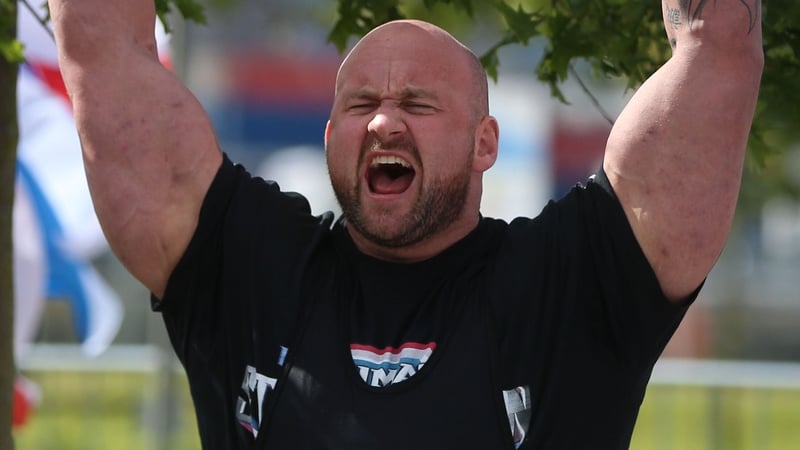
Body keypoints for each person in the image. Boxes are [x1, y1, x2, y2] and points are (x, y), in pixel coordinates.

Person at [46, 0, 763, 448]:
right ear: (330, 136)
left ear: (487, 142)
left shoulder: (575, 283)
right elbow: (103, 48)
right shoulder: (246, 266)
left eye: (418, 103)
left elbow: (718, 43)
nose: (385, 119)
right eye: (361, 105)